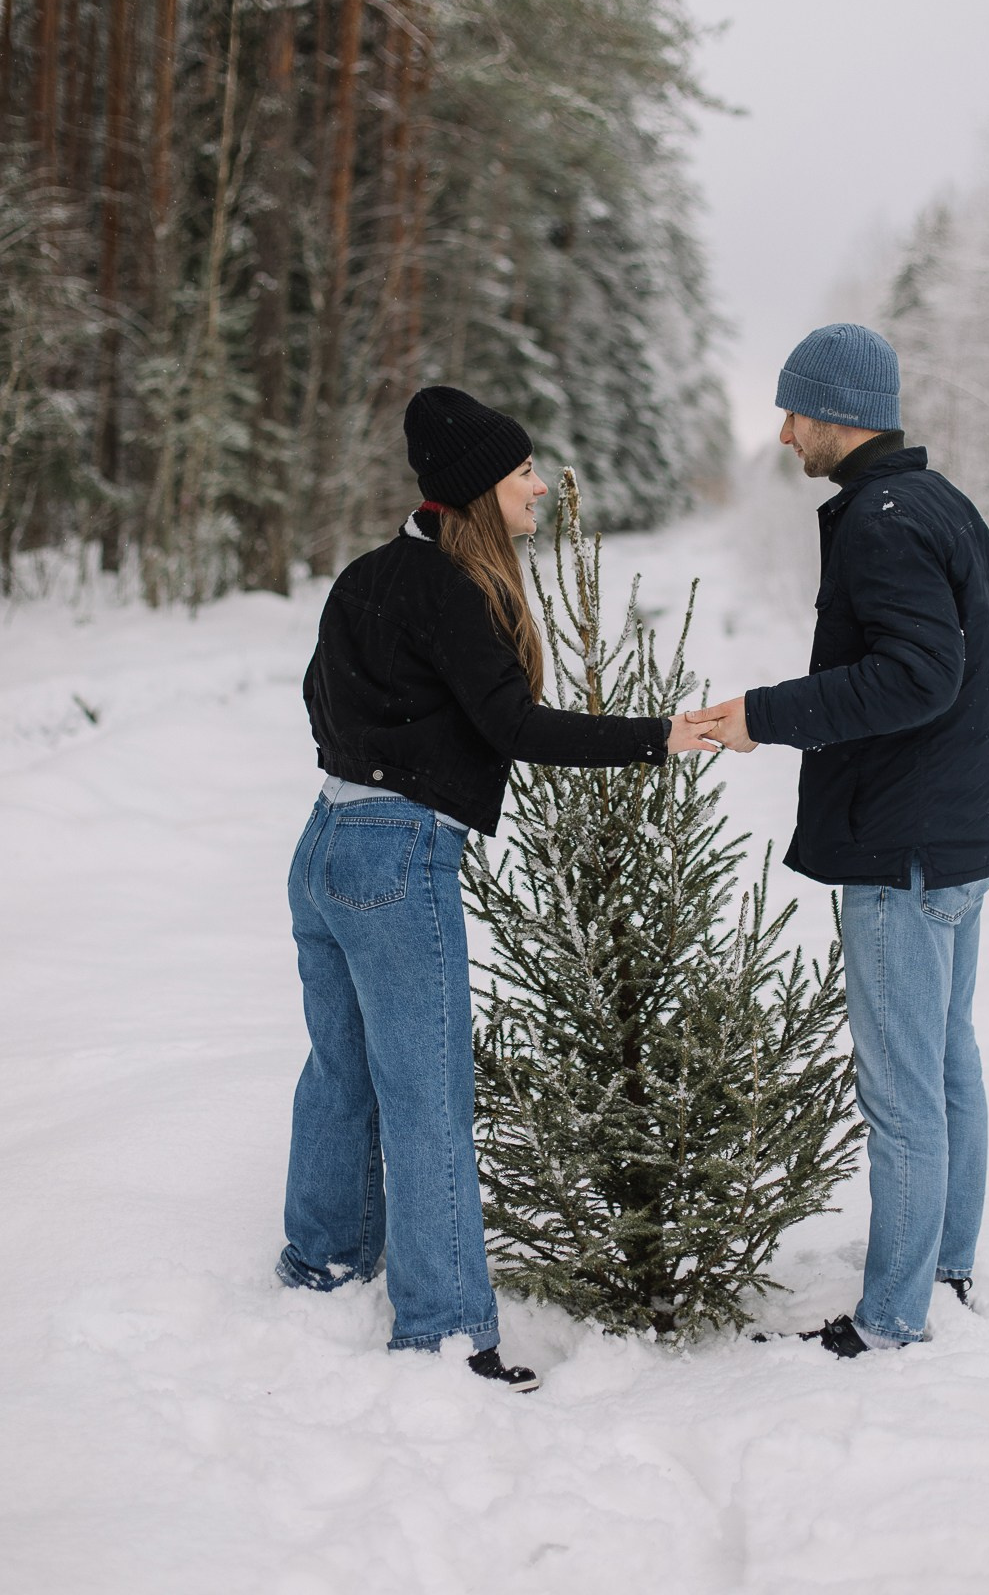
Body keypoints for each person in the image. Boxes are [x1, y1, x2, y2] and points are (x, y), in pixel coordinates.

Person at [278, 384, 714, 1390]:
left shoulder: (367, 574)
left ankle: (322, 1266)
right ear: (479, 486)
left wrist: (375, 756)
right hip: (396, 856)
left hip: (324, 845)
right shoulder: (451, 588)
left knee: (341, 1071)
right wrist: (661, 735)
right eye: (522, 470)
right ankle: (442, 1332)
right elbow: (515, 725)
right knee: (427, 1095)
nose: (539, 485)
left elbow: (316, 696)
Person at [691, 323, 989, 1357]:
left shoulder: (882, 519)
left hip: (904, 847)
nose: (786, 434)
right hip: (956, 837)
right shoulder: (937, 502)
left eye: (794, 413)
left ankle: (890, 1322)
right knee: (947, 1065)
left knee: (904, 1093)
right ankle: (943, 1269)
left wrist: (766, 714)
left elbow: (919, 676)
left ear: (838, 413)